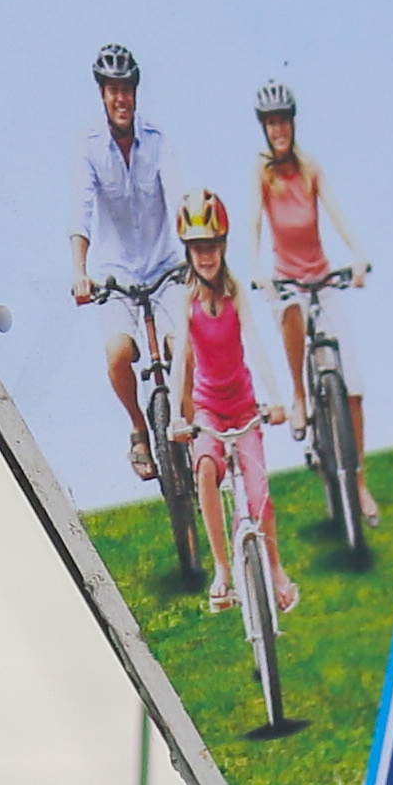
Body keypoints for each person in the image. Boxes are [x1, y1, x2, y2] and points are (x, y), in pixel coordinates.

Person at [171, 192, 297, 623]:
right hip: (208, 410)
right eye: (197, 247)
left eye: (212, 245)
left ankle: (277, 571)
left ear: (224, 246)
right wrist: (177, 416)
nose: (206, 256)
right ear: (188, 251)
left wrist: (277, 398)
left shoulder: (235, 292)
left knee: (261, 496)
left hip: (243, 408)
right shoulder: (184, 303)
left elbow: (256, 344)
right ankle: (223, 570)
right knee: (205, 468)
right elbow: (179, 364)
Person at [67, 40, 178, 468]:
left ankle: (188, 426)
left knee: (182, 345)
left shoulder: (157, 139)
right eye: (112, 89)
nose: (120, 98)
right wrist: (80, 272)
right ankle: (138, 427)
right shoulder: (89, 145)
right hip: (115, 277)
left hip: (166, 268)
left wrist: (196, 254)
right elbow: (82, 210)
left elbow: (179, 192)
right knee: (117, 353)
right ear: (102, 93)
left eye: (126, 88)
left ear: (135, 91)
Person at [244, 79, 361, 422]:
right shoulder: (262, 173)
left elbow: (336, 213)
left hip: (322, 279)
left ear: (293, 123)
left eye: (283, 120)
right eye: (271, 122)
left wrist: (358, 255)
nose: (278, 129)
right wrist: (255, 269)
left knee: (352, 382)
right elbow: (254, 221)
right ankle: (299, 395)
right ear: (264, 128)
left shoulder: (310, 168)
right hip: (287, 283)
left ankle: (359, 477)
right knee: (292, 312)